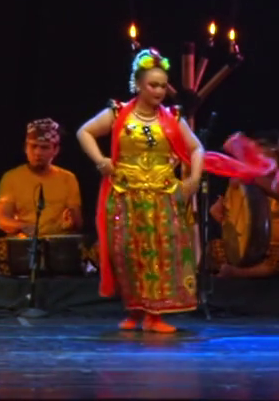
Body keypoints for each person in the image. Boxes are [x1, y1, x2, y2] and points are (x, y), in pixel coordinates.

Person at [76, 48, 205, 332]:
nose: (159, 91)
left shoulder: (173, 117)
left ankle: (155, 314)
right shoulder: (118, 112)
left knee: (161, 254)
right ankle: (135, 310)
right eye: (153, 85)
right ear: (138, 84)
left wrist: (194, 179)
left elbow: (197, 148)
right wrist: (101, 160)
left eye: (162, 85)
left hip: (162, 198)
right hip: (126, 196)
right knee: (128, 255)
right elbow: (84, 132)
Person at [208, 130, 279, 281]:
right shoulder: (245, 184)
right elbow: (238, 225)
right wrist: (221, 216)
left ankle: (238, 273)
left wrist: (252, 177)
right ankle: (249, 269)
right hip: (255, 250)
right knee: (213, 249)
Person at [0, 118, 85, 270]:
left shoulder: (68, 178)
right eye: (33, 146)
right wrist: (23, 226)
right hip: (25, 248)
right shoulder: (10, 178)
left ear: (55, 150)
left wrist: (72, 222)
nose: (37, 152)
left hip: (58, 249)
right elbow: (2, 220)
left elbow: (78, 223)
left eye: (44, 147)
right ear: (25, 148)